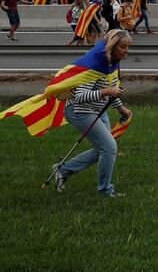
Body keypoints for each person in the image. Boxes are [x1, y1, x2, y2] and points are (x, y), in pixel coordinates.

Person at [51, 30, 132, 197]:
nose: (127, 51)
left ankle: (62, 170)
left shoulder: (113, 62)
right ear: (112, 47)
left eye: (128, 47)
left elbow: (112, 88)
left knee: (102, 148)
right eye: (123, 47)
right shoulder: (95, 65)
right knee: (109, 148)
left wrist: (120, 108)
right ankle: (105, 190)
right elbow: (80, 97)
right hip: (79, 111)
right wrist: (105, 91)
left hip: (98, 110)